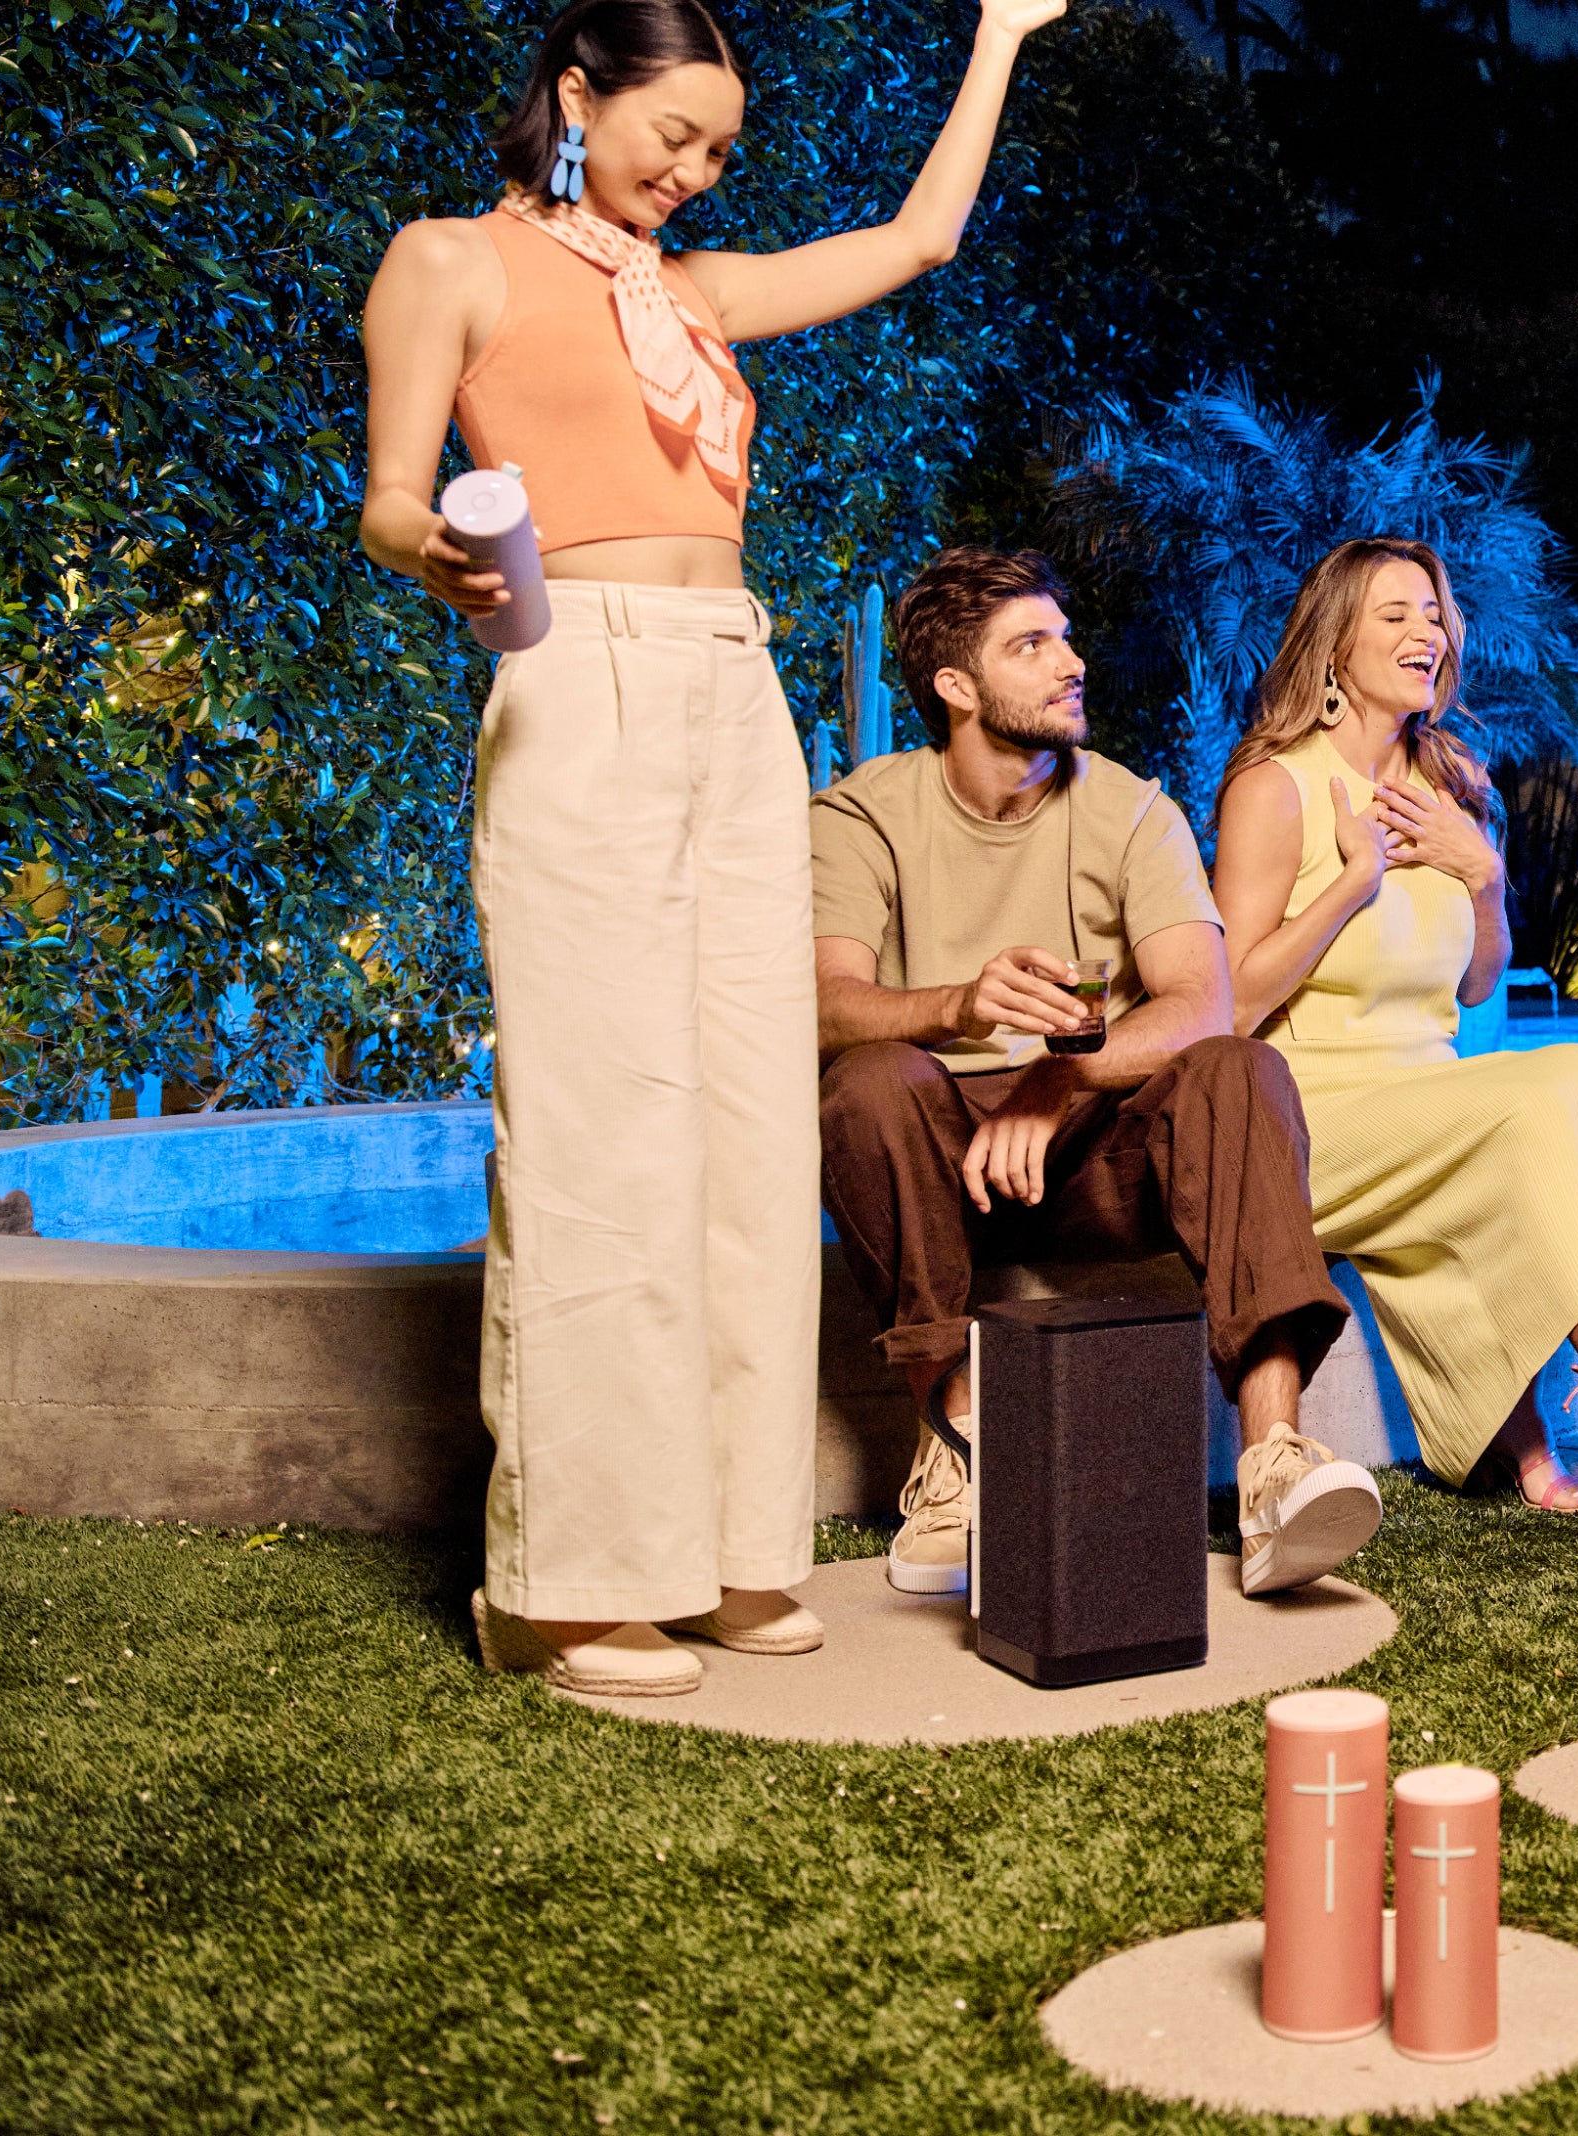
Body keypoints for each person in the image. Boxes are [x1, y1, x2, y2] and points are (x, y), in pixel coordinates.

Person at [357, 0, 1068, 1694]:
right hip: (575, 673)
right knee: (603, 1129)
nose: (695, 170)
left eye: (722, 150)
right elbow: (388, 496)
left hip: (733, 687)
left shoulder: (699, 293)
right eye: (672, 134)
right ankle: (562, 1590)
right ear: (578, 95)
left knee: (749, 1126)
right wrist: (435, 552)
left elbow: (920, 238)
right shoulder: (448, 260)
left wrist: (999, 35)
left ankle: (727, 1553)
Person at [813, 548, 1373, 1598]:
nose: (1070, 663)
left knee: (1239, 1068)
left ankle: (1275, 1469)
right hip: (932, 1153)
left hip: (1092, 1149)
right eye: (1030, 646)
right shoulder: (863, 814)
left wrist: (1058, 1083)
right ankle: (954, 1457)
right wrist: (959, 1005)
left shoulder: (1129, 808)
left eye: (1064, 639)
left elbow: (1200, 1001)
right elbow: (823, 1004)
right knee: (869, 1080)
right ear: (955, 686)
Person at [1210, 539, 1578, 1549]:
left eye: (1434, 615)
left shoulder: (1447, 780)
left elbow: (1474, 982)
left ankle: (1559, 1422)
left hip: (1429, 1103)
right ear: (1333, 646)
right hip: (1307, 1121)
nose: (1427, 633)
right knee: (1530, 1108)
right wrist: (1350, 885)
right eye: (1394, 615)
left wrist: (1482, 873)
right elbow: (1227, 1006)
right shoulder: (1275, 788)